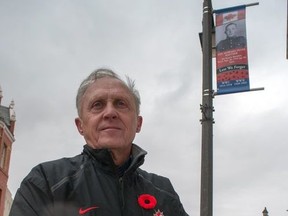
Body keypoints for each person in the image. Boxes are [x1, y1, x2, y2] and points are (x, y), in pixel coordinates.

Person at [9, 68, 189, 216]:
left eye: (120, 103)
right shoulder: (46, 182)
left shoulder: (164, 192)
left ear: (138, 123)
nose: (110, 112)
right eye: (97, 105)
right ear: (81, 125)